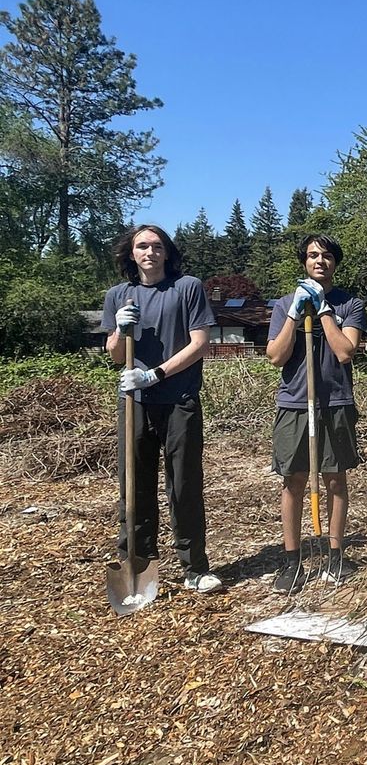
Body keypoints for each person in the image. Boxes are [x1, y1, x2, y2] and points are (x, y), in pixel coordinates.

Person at [101, 224, 222, 593]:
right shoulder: (119, 296)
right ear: (131, 253)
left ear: (166, 253)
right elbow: (115, 354)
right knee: (133, 486)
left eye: (156, 246)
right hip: (134, 405)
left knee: (184, 484)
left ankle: (195, 567)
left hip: (179, 401)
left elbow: (200, 343)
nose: (149, 252)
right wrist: (121, 332)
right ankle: (136, 564)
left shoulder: (187, 288)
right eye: (142, 246)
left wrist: (155, 374)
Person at [265, 234, 367, 593]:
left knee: (335, 479)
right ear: (304, 263)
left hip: (335, 402)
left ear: (335, 262)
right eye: (311, 255)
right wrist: (295, 313)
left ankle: (335, 556)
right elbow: (276, 356)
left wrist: (323, 310)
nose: (319, 261)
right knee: (292, 481)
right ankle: (292, 562)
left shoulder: (349, 304)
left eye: (325, 255)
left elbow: (344, 351)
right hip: (294, 402)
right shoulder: (283, 304)